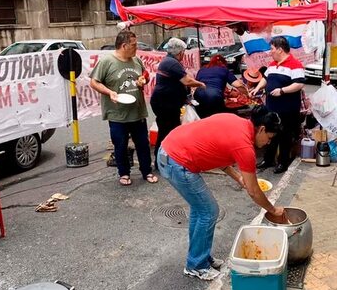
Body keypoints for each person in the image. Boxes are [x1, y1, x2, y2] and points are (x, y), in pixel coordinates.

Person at [157, 106, 286, 280]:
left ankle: (200, 256)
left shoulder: (235, 121)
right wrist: (273, 210)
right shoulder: (244, 147)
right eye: (269, 138)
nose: (269, 142)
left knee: (200, 210)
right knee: (208, 211)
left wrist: (238, 177)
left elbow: (216, 152)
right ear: (262, 129)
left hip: (170, 149)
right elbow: (254, 192)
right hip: (177, 161)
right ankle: (196, 266)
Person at [89, 30, 158, 186]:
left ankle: (147, 171)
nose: (136, 48)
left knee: (143, 144)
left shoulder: (136, 61)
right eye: (134, 45)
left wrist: (143, 80)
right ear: (124, 45)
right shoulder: (107, 61)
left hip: (137, 111)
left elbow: (144, 75)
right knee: (120, 144)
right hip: (117, 113)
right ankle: (124, 173)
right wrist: (109, 92)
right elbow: (94, 82)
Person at [249, 36, 305, 174]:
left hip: (287, 109)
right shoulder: (273, 64)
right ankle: (268, 160)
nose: (270, 52)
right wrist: (258, 88)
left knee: (284, 136)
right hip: (271, 108)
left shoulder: (295, 64)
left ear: (280, 49)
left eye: (272, 49)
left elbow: (299, 83)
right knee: (270, 134)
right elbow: (265, 78)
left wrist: (282, 90)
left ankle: (282, 163)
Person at [150, 37, 205, 168]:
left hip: (168, 103)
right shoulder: (171, 63)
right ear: (180, 52)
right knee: (166, 132)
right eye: (184, 52)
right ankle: (161, 162)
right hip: (165, 104)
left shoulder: (170, 62)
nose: (184, 55)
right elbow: (187, 81)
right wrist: (201, 84)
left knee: (171, 130)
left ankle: (167, 160)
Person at [193, 54, 247, 118]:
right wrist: (247, 94)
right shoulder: (224, 69)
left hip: (198, 95)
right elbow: (238, 85)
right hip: (214, 96)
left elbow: (194, 85)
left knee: (203, 118)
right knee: (219, 118)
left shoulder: (202, 69)